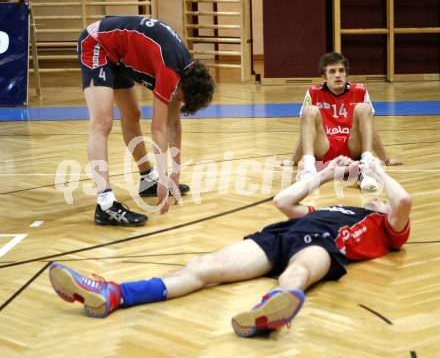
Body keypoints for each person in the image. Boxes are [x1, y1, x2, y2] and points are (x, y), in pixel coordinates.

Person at [49, 156, 411, 338]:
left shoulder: (384, 227)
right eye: (378, 198)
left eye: (383, 200)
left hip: (323, 246)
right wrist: (326, 173)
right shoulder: (332, 208)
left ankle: (270, 312)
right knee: (202, 267)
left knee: (298, 272)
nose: (381, 201)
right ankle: (115, 294)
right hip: (279, 235)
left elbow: (404, 200)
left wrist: (377, 173)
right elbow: (284, 202)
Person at [78, 16, 215, 226]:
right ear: (183, 87)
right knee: (102, 122)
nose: (175, 101)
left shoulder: (185, 71)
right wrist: (164, 176)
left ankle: (147, 179)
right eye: (179, 98)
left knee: (132, 115)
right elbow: (158, 128)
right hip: (97, 43)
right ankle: (105, 203)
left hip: (119, 54)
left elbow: (174, 125)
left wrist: (175, 176)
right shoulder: (171, 69)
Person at [283, 52, 402, 191]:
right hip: (324, 147)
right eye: (332, 71)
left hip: (352, 147)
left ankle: (366, 169)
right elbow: (306, 132)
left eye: (341, 71)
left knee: (364, 108)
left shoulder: (360, 91)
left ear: (346, 74)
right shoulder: (313, 92)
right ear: (324, 76)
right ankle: (309, 171)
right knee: (309, 111)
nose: (338, 75)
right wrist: (294, 161)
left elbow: (370, 131)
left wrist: (385, 159)